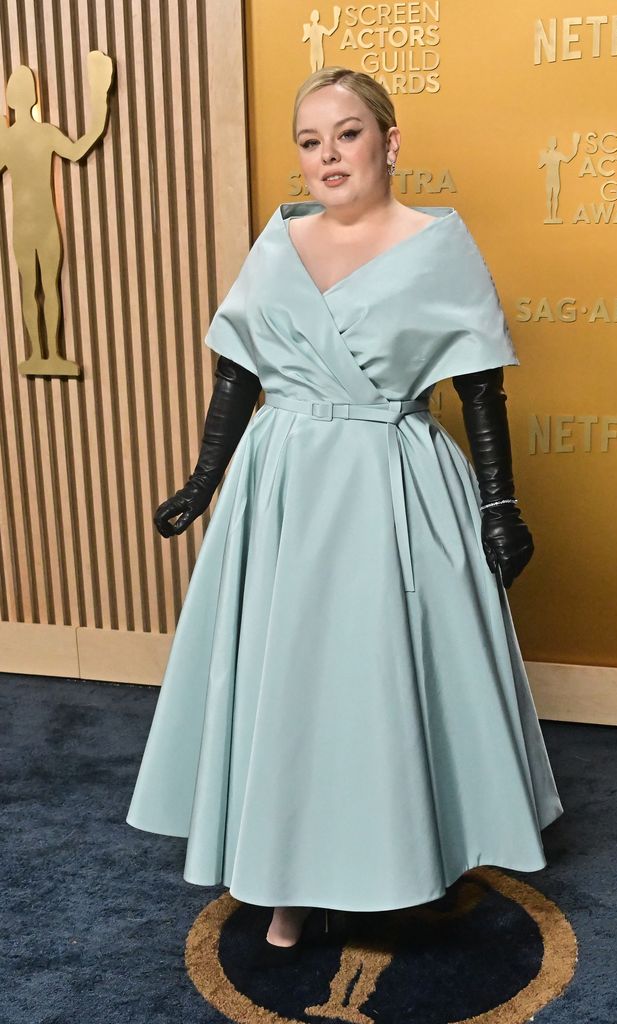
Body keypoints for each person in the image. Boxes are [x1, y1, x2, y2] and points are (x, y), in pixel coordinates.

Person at [126, 66, 563, 966]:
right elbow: (237, 373)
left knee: (377, 685)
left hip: (387, 481)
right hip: (282, 481)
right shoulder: (280, 240)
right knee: (284, 685)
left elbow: (478, 385)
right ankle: (282, 881)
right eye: (311, 140)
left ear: (390, 141)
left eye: (348, 134)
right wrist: (205, 479)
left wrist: (501, 505)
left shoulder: (440, 245)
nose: (328, 156)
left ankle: (400, 858)